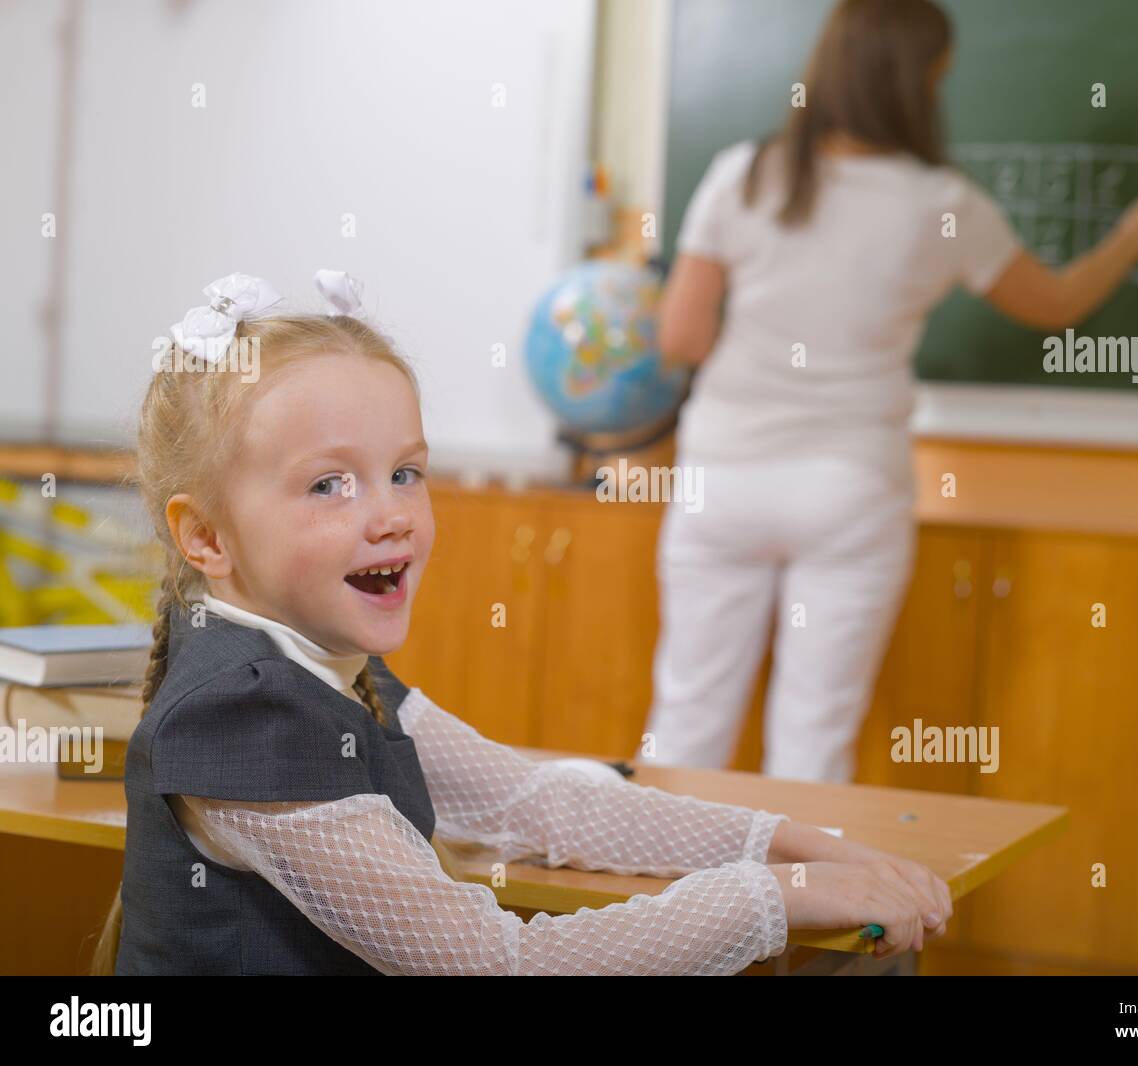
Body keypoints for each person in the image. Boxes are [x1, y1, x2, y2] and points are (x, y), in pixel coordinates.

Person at [92, 268, 952, 976]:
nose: (391, 515)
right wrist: (775, 899)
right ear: (204, 536)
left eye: (406, 473)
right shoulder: (250, 716)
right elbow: (497, 967)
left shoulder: (323, 664)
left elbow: (528, 801)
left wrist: (794, 846)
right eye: (329, 484)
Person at [644, 0, 1138, 783]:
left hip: (722, 477)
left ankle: (665, 905)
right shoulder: (942, 206)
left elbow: (680, 340)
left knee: (686, 721)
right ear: (920, 82)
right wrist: (1132, 240)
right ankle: (801, 905)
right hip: (849, 487)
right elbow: (1056, 305)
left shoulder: (747, 172)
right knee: (813, 743)